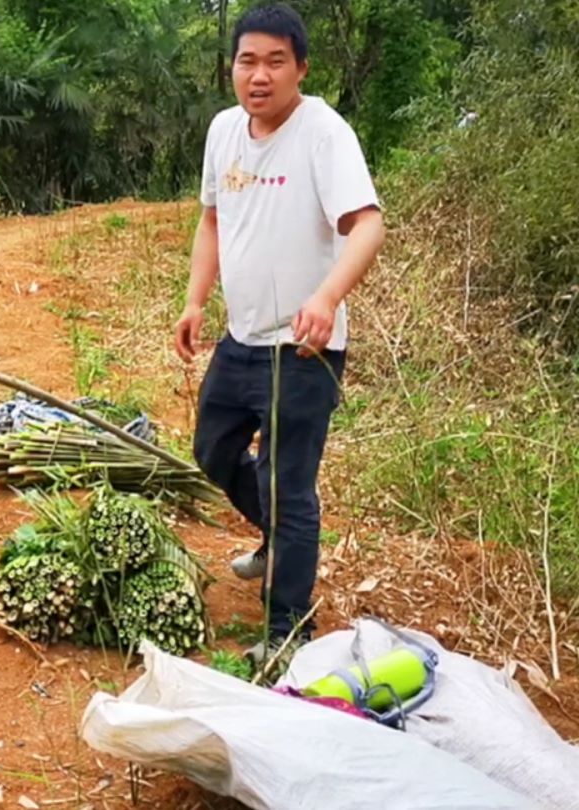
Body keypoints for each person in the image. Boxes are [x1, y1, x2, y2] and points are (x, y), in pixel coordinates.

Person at [173, 3, 385, 664]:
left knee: (291, 486)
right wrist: (194, 300)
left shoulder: (324, 133)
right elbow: (212, 221)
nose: (258, 75)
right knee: (213, 451)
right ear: (231, 67)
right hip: (241, 340)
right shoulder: (223, 132)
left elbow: (368, 224)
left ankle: (288, 630)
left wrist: (326, 297)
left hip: (305, 348)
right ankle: (277, 538)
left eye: (274, 61)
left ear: (300, 69)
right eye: (247, 60)